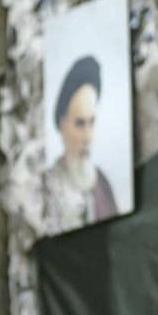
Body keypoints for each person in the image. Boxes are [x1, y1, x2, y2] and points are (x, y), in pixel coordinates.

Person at [45, 55, 118, 232]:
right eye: (80, 124)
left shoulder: (102, 183)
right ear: (62, 125)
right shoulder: (47, 186)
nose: (87, 136)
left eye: (92, 122)